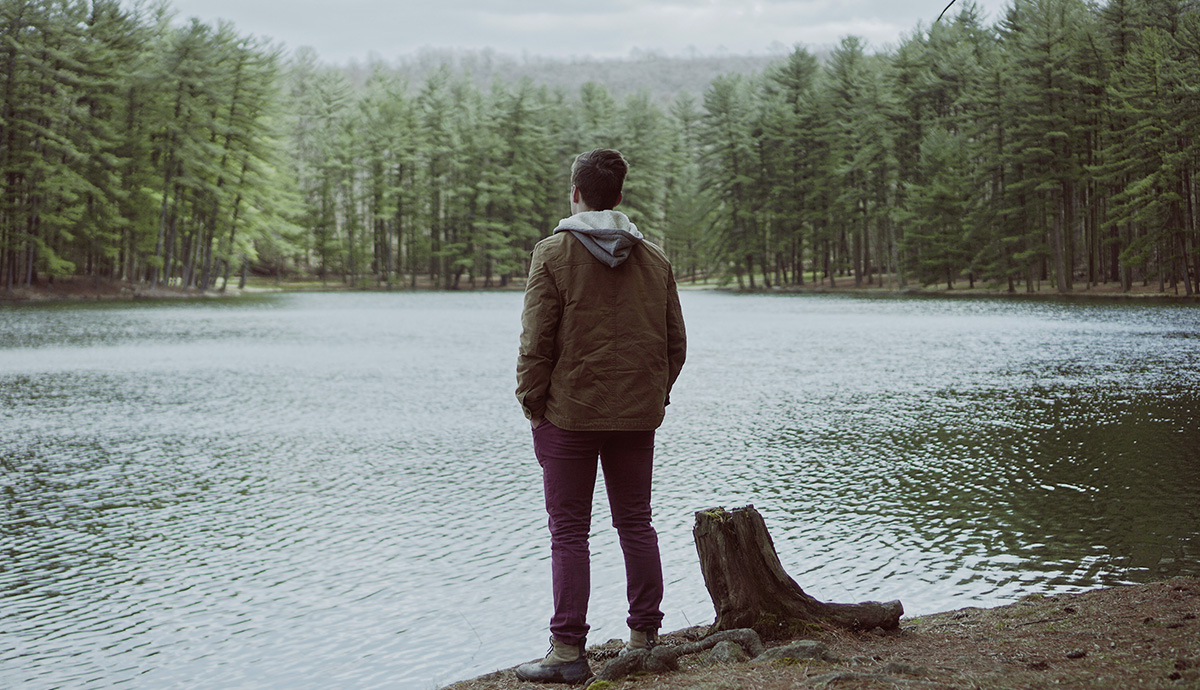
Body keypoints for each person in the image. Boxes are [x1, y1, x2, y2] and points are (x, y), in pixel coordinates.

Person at [515, 148, 686, 684]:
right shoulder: (654, 260)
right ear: (618, 196)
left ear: (575, 193)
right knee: (636, 524)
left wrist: (533, 407)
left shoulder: (553, 254)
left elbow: (535, 344)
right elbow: (675, 346)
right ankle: (644, 640)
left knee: (569, 533)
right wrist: (650, 398)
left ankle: (568, 653)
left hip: (568, 416)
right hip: (635, 417)